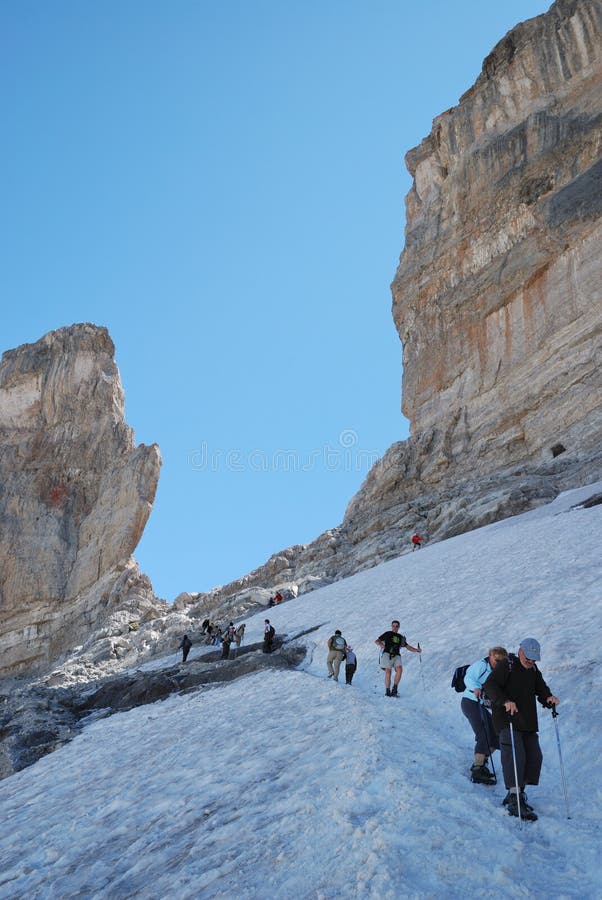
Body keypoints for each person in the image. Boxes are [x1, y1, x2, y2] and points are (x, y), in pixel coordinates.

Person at [484, 637, 559, 821]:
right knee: (515, 754)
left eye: (534, 659)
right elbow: (490, 685)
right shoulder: (507, 664)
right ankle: (515, 799)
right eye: (528, 657)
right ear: (520, 651)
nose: (531, 661)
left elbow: (541, 689)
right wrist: (505, 701)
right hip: (506, 718)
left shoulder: (533, 669)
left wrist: (548, 698)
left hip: (526, 721)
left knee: (534, 756)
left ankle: (517, 793)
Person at [461, 646, 508, 784]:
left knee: (495, 734)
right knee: (483, 733)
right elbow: (468, 677)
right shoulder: (481, 665)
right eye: (496, 660)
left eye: (501, 661)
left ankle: (481, 763)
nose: (498, 663)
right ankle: (477, 770)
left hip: (481, 704)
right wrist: (475, 687)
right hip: (470, 701)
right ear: (490, 655)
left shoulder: (498, 670)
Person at [375, 620, 421, 696]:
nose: (395, 627)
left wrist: (416, 650)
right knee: (388, 672)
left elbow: (407, 646)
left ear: (399, 627)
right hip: (387, 654)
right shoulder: (388, 633)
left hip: (396, 655)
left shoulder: (400, 637)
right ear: (391, 626)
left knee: (399, 670)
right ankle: (387, 691)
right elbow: (377, 641)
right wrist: (380, 644)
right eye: (393, 626)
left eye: (396, 626)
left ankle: (394, 689)